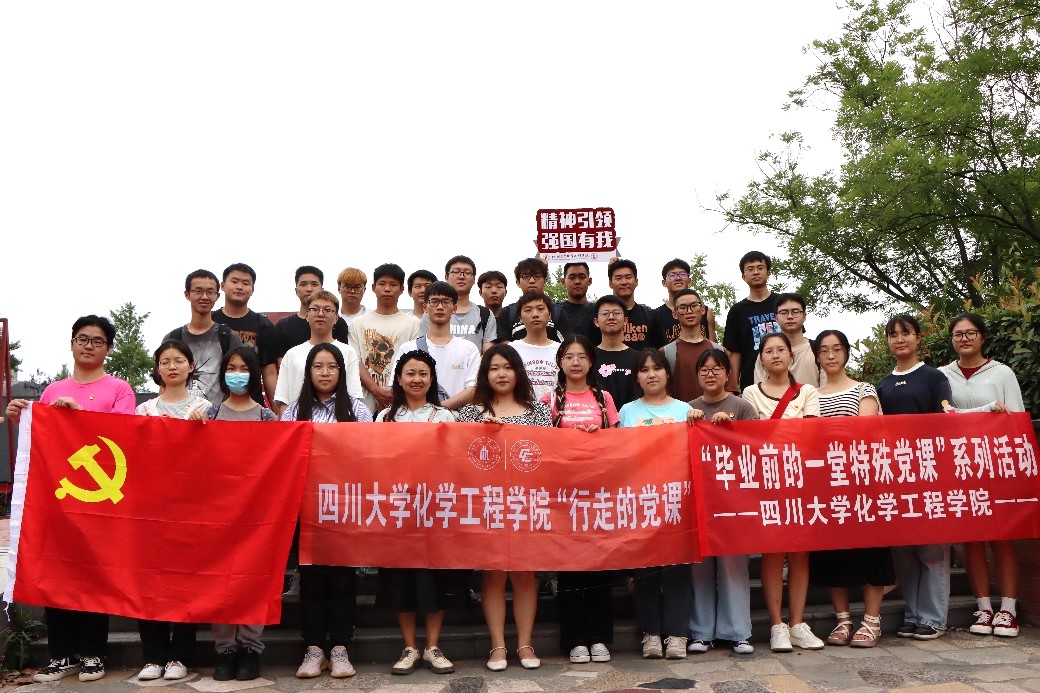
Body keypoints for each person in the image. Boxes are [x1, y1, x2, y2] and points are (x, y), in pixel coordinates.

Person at [7, 316, 136, 684]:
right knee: (57, 571)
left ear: (108, 348)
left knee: (94, 574)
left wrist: (81, 419)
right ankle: (61, 654)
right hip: (60, 498)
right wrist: (21, 420)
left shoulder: (120, 389)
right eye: (82, 338)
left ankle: (94, 653)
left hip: (101, 500)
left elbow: (125, 436)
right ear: (72, 343)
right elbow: (43, 442)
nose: (88, 346)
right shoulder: (52, 391)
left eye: (97, 340)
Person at [457, 344, 552, 671]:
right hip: (488, 503)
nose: (501, 374)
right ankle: (497, 646)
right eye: (494, 368)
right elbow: (459, 459)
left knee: (524, 573)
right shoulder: (470, 413)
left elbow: (550, 455)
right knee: (494, 574)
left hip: (527, 501)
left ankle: (525, 644)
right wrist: (482, 435)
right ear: (485, 374)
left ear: (518, 372)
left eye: (508, 367)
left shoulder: (538, 412)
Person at [283, 344, 373, 679]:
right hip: (305, 508)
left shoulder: (358, 410)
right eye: (318, 366)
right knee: (310, 580)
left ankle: (340, 648)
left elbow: (369, 454)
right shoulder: (293, 411)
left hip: (344, 505)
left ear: (341, 371)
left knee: (342, 578)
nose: (324, 372)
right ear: (308, 372)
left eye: (332, 366)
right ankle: (313, 649)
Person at [939, 313, 1025, 638]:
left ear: (983, 337)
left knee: (1002, 537)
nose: (964, 338)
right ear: (952, 340)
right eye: (958, 334)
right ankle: (984, 607)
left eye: (971, 333)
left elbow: (1017, 419)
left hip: (996, 465)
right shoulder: (942, 375)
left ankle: (1009, 609)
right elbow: (942, 416)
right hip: (960, 467)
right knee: (971, 538)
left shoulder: (1002, 373)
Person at [374, 351, 460, 675]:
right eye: (410, 373)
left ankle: (432, 646)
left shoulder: (445, 416)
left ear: (432, 379)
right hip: (397, 510)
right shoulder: (384, 418)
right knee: (401, 580)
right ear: (398, 379)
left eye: (423, 373)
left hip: (435, 509)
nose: (417, 379)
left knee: (435, 579)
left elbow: (454, 461)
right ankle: (409, 647)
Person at [808, 330, 891, 648]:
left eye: (837, 349)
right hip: (826, 485)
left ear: (846, 353)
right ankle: (842, 619)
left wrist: (828, 436)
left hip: (862, 482)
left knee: (871, 550)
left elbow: (865, 431)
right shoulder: (811, 394)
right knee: (833, 553)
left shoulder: (863, 389)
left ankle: (872, 621)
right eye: (824, 350)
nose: (830, 355)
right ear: (817, 356)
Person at [741, 333, 823, 653]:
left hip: (802, 481)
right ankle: (777, 625)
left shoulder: (808, 391)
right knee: (773, 552)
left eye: (781, 350)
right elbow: (752, 439)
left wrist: (777, 438)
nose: (775, 355)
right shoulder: (750, 393)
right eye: (768, 351)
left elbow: (811, 434)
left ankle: (797, 623)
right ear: (761, 359)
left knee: (800, 552)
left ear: (791, 356)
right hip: (768, 482)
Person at [134, 340, 211, 681]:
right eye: (165, 361)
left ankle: (180, 655)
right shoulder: (144, 410)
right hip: (151, 506)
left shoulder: (205, 407)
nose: (172, 366)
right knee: (149, 580)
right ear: (157, 369)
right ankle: (152, 656)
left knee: (185, 581)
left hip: (191, 507)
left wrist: (201, 426)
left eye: (179, 360)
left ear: (191, 366)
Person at [540, 337, 619, 664]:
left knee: (599, 564)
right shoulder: (548, 399)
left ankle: (599, 637)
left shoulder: (604, 397)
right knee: (570, 568)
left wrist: (597, 437)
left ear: (591, 362)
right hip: (563, 495)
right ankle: (574, 639)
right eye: (569, 356)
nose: (575, 362)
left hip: (598, 492)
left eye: (582, 357)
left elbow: (617, 441)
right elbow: (541, 444)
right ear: (560, 362)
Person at [876, 314, 953, 641]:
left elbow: (947, 420)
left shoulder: (934, 377)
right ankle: (912, 614)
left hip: (929, 473)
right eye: (893, 334)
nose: (899, 339)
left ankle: (933, 619)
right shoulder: (882, 384)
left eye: (906, 333)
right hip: (895, 476)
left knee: (932, 551)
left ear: (919, 338)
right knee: (904, 551)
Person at [209, 347, 278, 681]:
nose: (237, 374)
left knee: (253, 581)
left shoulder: (267, 418)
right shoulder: (209, 414)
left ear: (254, 374)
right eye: (231, 368)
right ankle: (225, 649)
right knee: (219, 582)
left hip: (256, 515)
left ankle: (250, 647)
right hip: (218, 514)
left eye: (244, 368)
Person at [618, 350, 692, 660]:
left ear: (667, 374)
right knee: (645, 571)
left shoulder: (685, 409)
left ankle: (677, 634)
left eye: (657, 368)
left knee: (677, 572)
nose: (651, 374)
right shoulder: (627, 411)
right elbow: (618, 453)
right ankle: (650, 633)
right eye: (645, 370)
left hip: (677, 502)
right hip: (641, 501)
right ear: (636, 377)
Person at [685, 348, 757, 655]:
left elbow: (756, 448)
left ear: (729, 374)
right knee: (699, 567)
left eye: (717, 369)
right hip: (699, 500)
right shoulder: (688, 408)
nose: (710, 374)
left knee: (733, 566)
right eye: (704, 370)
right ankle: (701, 632)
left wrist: (733, 429)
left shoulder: (742, 407)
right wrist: (688, 423)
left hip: (734, 501)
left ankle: (738, 632)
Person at [273, 291, 363, 417]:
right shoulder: (291, 354)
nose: (320, 314)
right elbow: (283, 401)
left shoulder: (348, 352)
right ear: (307, 315)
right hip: (299, 424)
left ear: (336, 317)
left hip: (338, 425)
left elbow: (354, 398)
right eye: (315, 309)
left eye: (327, 310)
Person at [391, 282, 479, 410]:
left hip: (457, 418)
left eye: (446, 302)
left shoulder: (469, 348)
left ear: (454, 308)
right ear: (425, 306)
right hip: (417, 418)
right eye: (434, 302)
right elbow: (396, 386)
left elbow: (472, 389)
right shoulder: (408, 348)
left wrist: (437, 410)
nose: (440, 307)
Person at [164, 269, 244, 406]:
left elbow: (239, 380)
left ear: (217, 296)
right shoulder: (172, 338)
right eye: (198, 291)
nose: (205, 297)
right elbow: (163, 384)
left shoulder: (229, 337)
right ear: (187, 294)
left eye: (210, 292)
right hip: (179, 415)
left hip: (219, 415)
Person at [348, 263, 421, 413]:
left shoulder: (414, 323)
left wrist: (391, 393)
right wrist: (376, 391)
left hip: (401, 404)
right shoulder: (358, 323)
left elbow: (413, 361)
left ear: (401, 289)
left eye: (393, 284)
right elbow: (354, 361)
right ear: (373, 287)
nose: (387, 289)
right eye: (382, 283)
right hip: (364, 406)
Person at [211, 263, 279, 405]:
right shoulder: (210, 321)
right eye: (234, 281)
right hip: (212, 405)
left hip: (251, 406)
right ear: (222, 285)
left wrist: (277, 410)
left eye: (245, 283)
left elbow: (269, 372)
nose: (239, 287)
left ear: (252, 289)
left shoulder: (263, 325)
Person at [723, 251, 781, 390]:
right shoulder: (737, 311)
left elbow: (796, 339)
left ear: (768, 273)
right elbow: (735, 352)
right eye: (750, 269)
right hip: (752, 382)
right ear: (743, 276)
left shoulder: (783, 303)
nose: (756, 272)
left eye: (760, 268)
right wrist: (733, 388)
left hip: (787, 377)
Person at [663, 289, 733, 402]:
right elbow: (662, 394)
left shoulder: (720, 351)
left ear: (702, 309)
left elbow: (731, 391)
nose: (689, 311)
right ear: (674, 314)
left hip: (717, 412)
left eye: (694, 305)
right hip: (680, 413)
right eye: (682, 307)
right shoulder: (665, 353)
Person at [420, 255, 497, 352]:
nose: (461, 276)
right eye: (456, 272)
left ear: (474, 279)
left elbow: (488, 353)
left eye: (467, 272)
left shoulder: (485, 314)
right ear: (446, 277)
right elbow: (424, 347)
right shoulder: (431, 312)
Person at [276, 266, 350, 362]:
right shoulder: (283, 326)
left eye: (314, 284)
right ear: (296, 290)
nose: (309, 289)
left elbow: (344, 358)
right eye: (303, 284)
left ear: (322, 289)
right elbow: (282, 364)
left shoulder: (338, 323)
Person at [496, 258, 570, 342]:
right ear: (518, 282)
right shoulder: (507, 313)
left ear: (545, 281)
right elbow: (504, 347)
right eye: (526, 276)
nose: (532, 281)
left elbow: (566, 345)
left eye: (537, 276)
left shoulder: (557, 312)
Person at [753, 293, 820, 387]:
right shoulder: (767, 353)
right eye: (784, 312)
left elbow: (828, 387)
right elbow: (760, 390)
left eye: (795, 312)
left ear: (804, 316)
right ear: (776, 318)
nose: (790, 316)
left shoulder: (818, 349)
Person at [650, 259, 718, 347]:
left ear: (689, 281)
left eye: (683, 274)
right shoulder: (655, 315)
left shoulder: (705, 311)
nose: (678, 278)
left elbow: (713, 345)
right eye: (672, 275)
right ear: (664, 282)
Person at [507, 291, 561, 400]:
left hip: (556, 408)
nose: (535, 314)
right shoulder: (511, 349)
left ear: (550, 315)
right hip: (521, 408)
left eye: (540, 309)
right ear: (520, 318)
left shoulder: (562, 350)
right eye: (528, 310)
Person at [592, 295, 642, 409]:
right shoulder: (589, 358)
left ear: (625, 320)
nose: (611, 317)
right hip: (597, 418)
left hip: (632, 417)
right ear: (596, 321)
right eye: (605, 313)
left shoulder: (638, 358)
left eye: (616, 313)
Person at [595, 260, 656, 349]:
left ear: (636, 282)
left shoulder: (649, 315)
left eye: (628, 277)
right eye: (618, 278)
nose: (624, 282)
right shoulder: (600, 316)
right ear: (610, 283)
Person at [558, 262, 597, 340]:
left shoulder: (598, 312)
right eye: (572, 277)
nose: (577, 281)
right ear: (563, 282)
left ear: (590, 281)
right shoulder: (555, 312)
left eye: (582, 277)